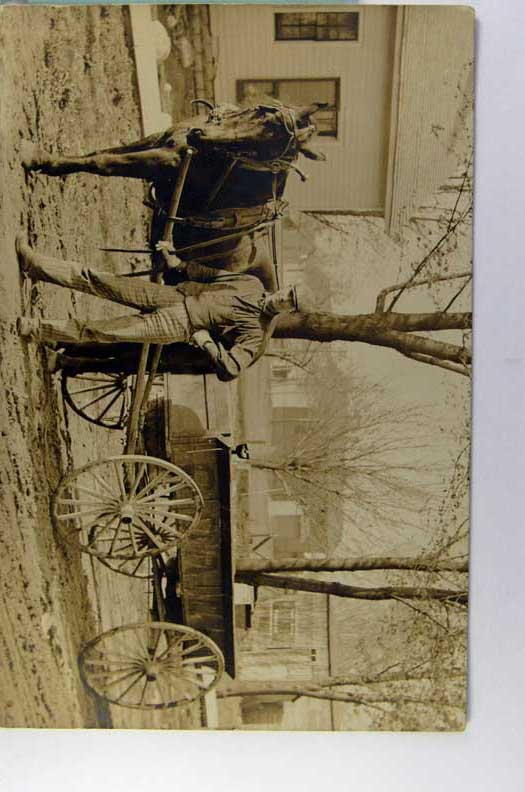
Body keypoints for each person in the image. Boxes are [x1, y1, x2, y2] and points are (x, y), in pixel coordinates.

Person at [15, 238, 299, 382]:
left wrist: (208, 344)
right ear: (284, 287)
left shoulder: (257, 333)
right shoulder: (251, 283)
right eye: (287, 293)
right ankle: (34, 264)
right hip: (173, 295)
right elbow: (212, 276)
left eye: (289, 302)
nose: (283, 299)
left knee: (101, 331)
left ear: (288, 310)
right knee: (99, 279)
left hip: (179, 326)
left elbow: (231, 369)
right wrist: (177, 263)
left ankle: (36, 329)